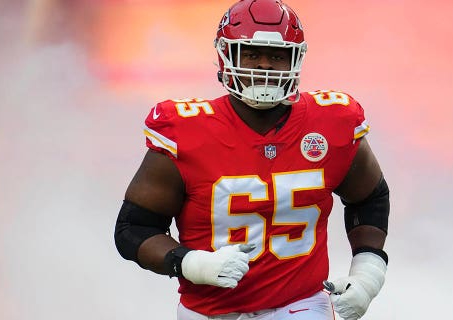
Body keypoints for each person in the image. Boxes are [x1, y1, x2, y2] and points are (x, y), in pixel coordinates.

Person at [114, 0, 390, 319]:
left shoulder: (332, 120)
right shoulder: (185, 129)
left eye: (276, 56)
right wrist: (191, 263)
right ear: (227, 55)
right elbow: (133, 228)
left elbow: (370, 198)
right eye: (251, 53)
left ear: (295, 59)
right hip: (211, 311)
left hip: (301, 304)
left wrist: (368, 275)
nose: (264, 66)